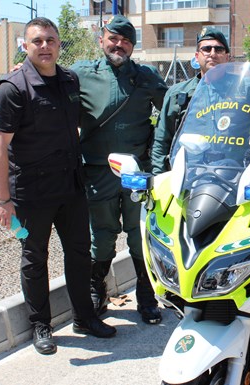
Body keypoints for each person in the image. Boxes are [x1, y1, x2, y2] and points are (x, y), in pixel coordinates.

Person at [0, 17, 116, 356]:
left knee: (78, 254)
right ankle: (40, 325)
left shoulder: (69, 80)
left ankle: (84, 318)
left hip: (70, 187)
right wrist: (3, 200)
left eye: (50, 40)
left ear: (59, 44)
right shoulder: (12, 88)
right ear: (25, 46)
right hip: (31, 193)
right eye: (37, 41)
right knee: (35, 259)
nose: (45, 46)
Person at [70, 15, 168, 324]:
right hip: (99, 171)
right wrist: (24, 69)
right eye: (113, 38)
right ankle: (98, 289)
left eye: (126, 40)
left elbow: (173, 110)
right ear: (101, 40)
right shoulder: (80, 74)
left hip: (136, 173)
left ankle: (147, 296)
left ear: (133, 46)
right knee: (102, 236)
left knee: (140, 236)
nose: (119, 44)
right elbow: (48, 85)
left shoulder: (147, 77)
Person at [151, 27, 232, 175]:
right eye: (206, 49)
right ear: (197, 56)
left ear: (227, 56)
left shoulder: (247, 89)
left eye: (219, 49)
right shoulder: (177, 93)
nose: (212, 54)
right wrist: (159, 179)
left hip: (233, 175)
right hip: (187, 177)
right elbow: (161, 141)